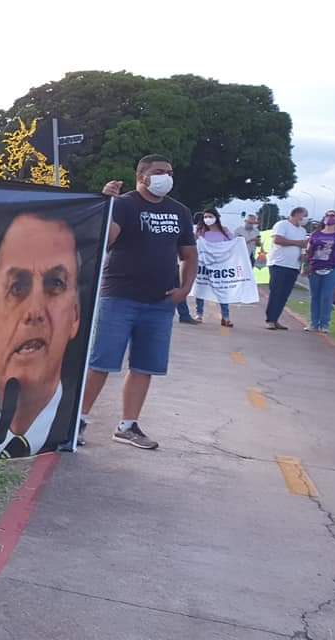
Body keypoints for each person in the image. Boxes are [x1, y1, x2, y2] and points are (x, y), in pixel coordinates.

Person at [80, 154, 197, 450]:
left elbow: (188, 254)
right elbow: (105, 241)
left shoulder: (180, 211)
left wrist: (185, 289)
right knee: (101, 362)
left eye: (170, 172)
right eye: (159, 171)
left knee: (144, 366)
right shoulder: (124, 205)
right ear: (142, 175)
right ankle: (77, 420)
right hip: (119, 297)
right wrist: (105, 206)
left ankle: (128, 425)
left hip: (161, 302)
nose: (166, 177)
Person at [0, 212, 82, 459]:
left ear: (75, 316)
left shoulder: (65, 430)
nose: (34, 312)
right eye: (17, 287)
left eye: (55, 284)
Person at [304, 211, 335, 333]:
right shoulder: (316, 234)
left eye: (332, 216)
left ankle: (324, 324)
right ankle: (313, 323)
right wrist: (305, 266)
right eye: (327, 215)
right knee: (315, 296)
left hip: (333, 268)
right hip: (315, 268)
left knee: (327, 296)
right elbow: (308, 251)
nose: (329, 218)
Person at [265, 207, 309, 330]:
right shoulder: (282, 225)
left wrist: (303, 256)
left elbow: (303, 246)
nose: (305, 218)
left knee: (284, 294)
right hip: (279, 264)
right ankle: (270, 319)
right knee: (276, 292)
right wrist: (298, 243)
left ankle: (275, 318)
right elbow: (278, 240)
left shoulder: (302, 230)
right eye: (304, 215)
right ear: (296, 214)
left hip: (293, 265)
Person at [193, 209, 234, 327]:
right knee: (200, 288)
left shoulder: (224, 231)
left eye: (210, 216)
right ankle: (199, 314)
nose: (207, 219)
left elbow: (232, 244)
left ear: (216, 217)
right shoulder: (201, 231)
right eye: (205, 217)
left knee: (222, 291)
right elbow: (194, 243)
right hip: (204, 265)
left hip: (220, 265)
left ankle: (225, 317)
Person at [176, 211, 205, 324]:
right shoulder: (189, 229)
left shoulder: (190, 229)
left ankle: (184, 314)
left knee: (178, 288)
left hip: (177, 263)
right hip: (176, 262)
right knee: (177, 288)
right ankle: (183, 314)